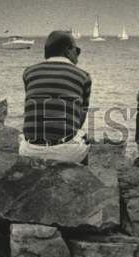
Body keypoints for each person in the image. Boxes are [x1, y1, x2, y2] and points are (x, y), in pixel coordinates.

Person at [18, 29, 92, 164]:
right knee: (84, 138)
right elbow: (79, 119)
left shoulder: (29, 72)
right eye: (77, 50)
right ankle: (79, 178)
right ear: (68, 51)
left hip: (29, 152)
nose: (78, 55)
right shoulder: (83, 76)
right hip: (65, 153)